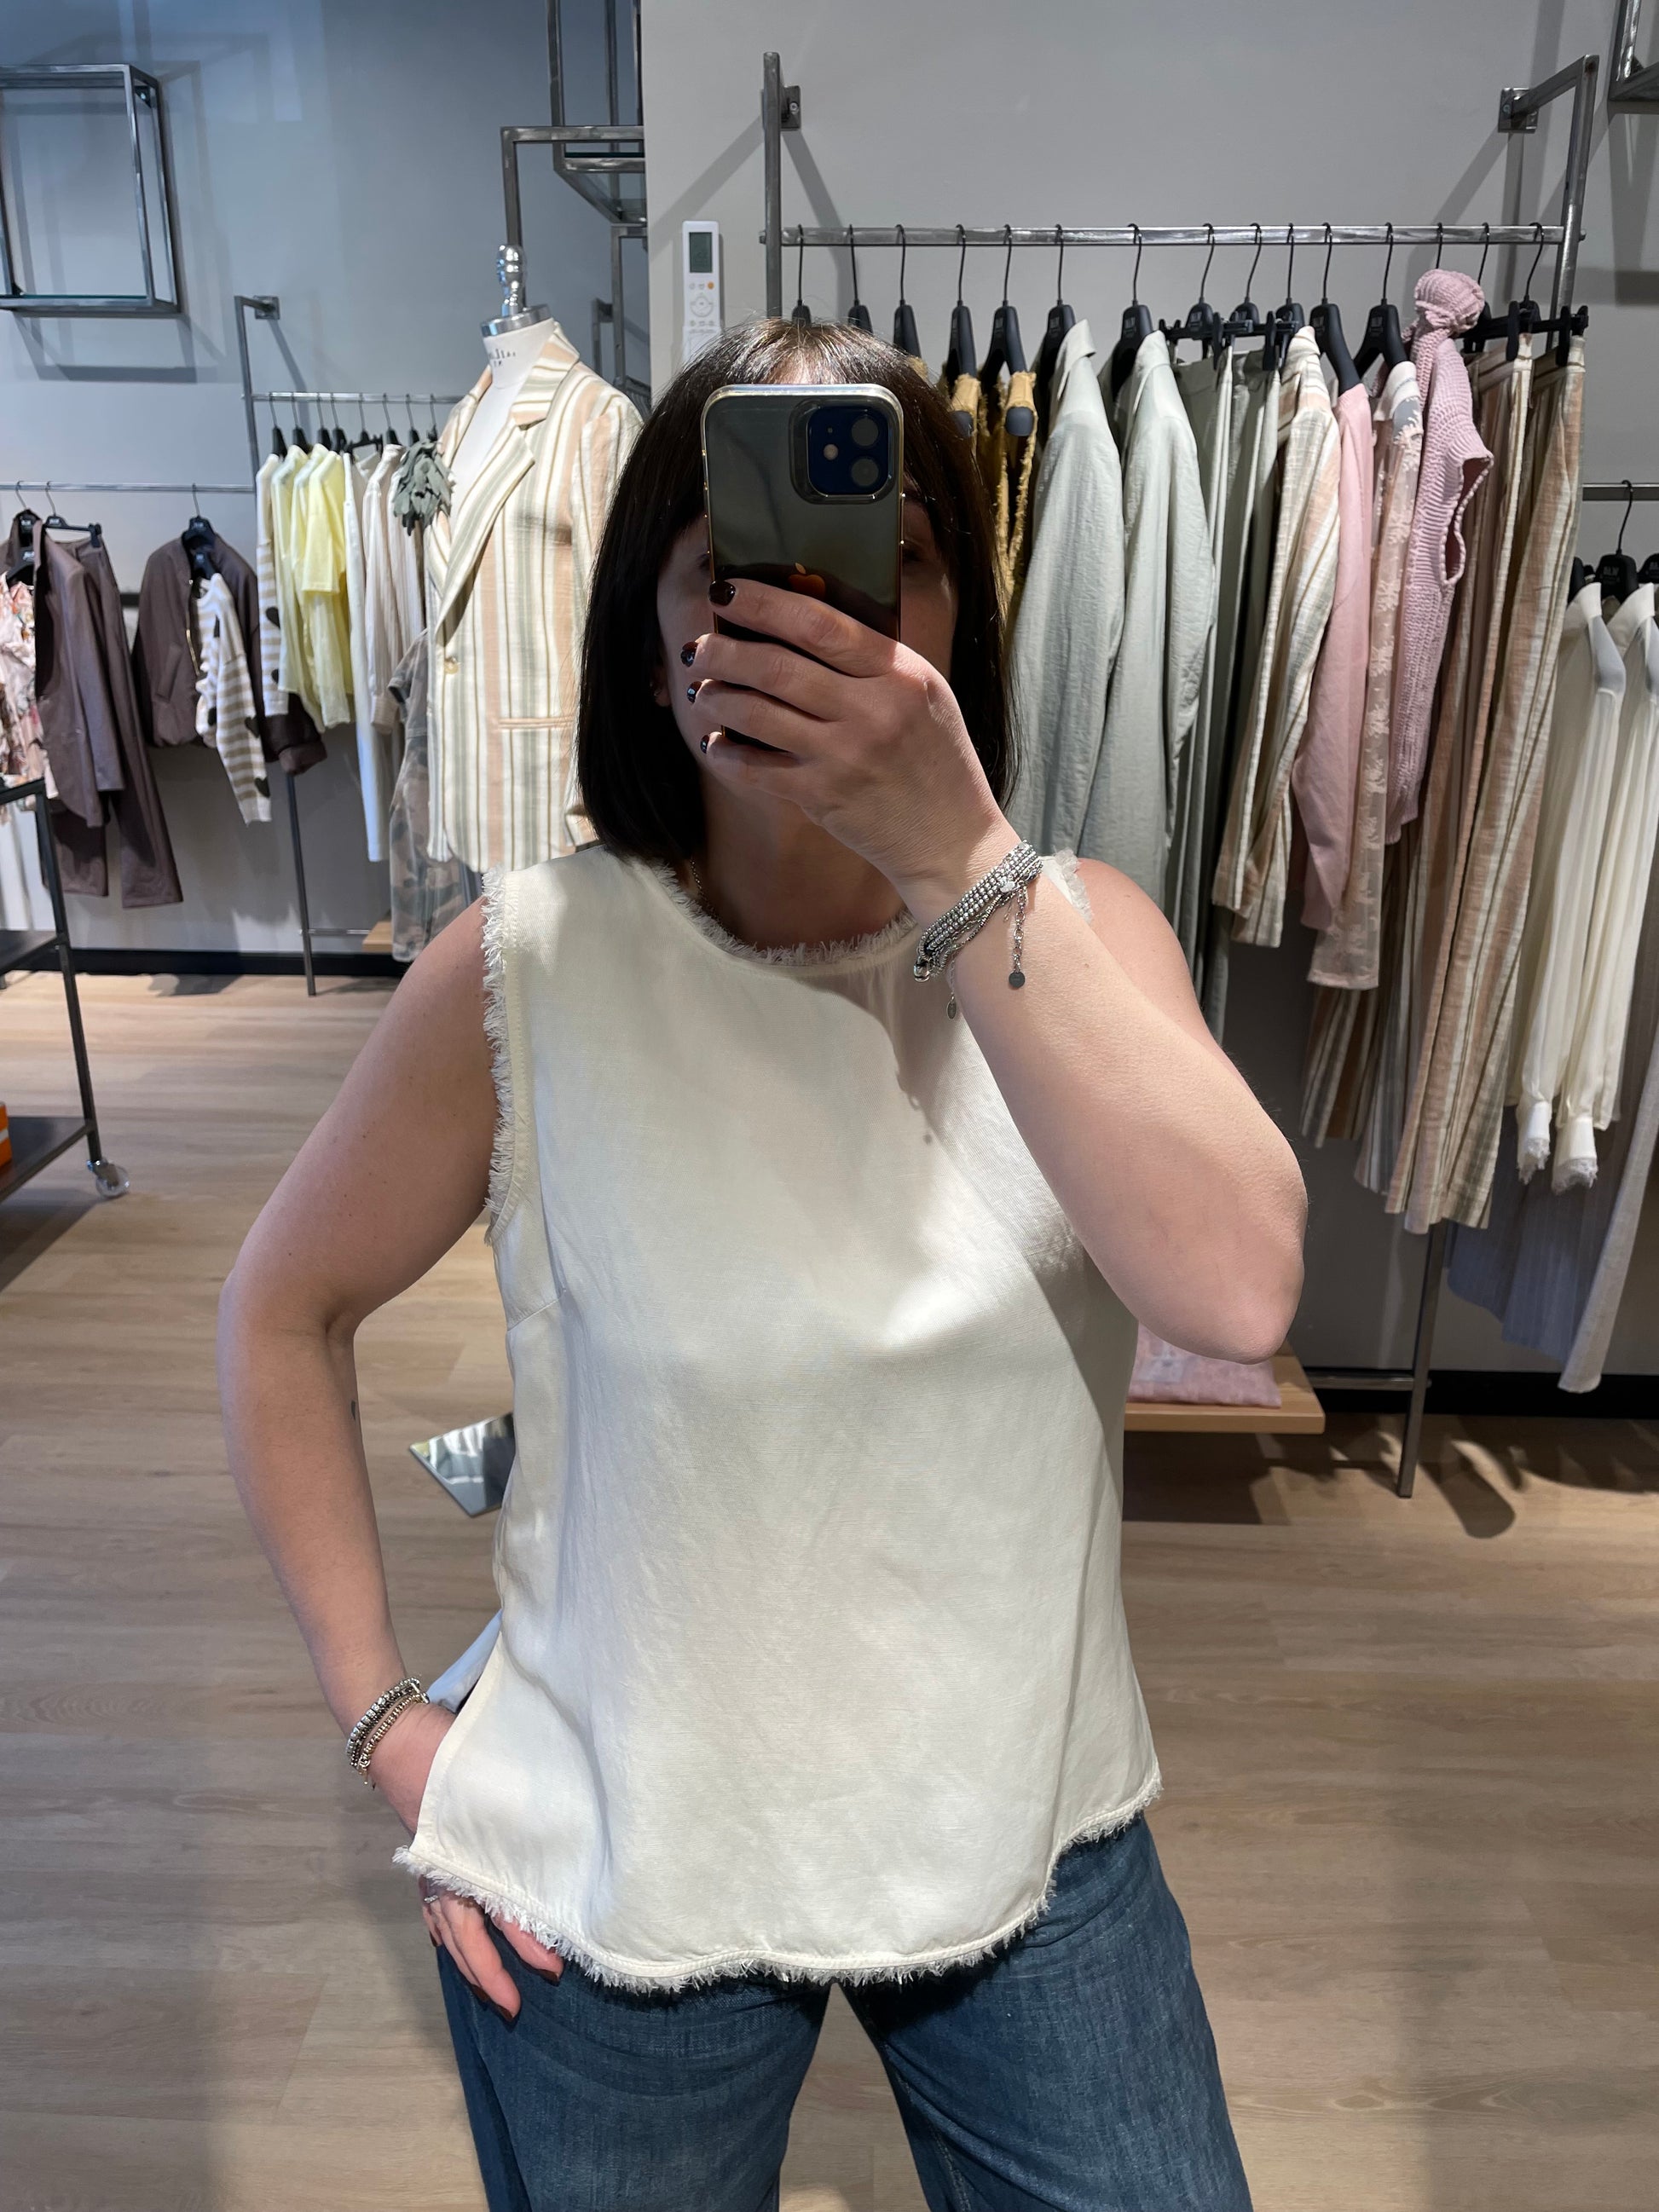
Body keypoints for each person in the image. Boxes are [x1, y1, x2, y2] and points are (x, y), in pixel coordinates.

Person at [219, 319, 1304, 2212]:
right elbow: (279, 1310)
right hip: (625, 1845)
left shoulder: (1081, 937)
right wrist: (387, 1723)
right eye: (735, 569)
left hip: (1027, 1819)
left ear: (959, 624)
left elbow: (1236, 1294)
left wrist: (957, 854)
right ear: (653, 639)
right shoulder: (526, 970)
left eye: (889, 560)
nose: (813, 613)